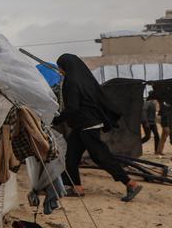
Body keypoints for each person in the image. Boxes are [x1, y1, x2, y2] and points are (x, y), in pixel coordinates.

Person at [54, 54, 143, 202]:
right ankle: (76, 187)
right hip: (83, 125)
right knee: (70, 156)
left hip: (87, 126)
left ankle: (130, 183)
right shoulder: (84, 79)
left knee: (101, 157)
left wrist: (56, 119)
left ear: (65, 66)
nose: (59, 70)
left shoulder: (71, 81)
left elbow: (73, 108)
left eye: (60, 67)